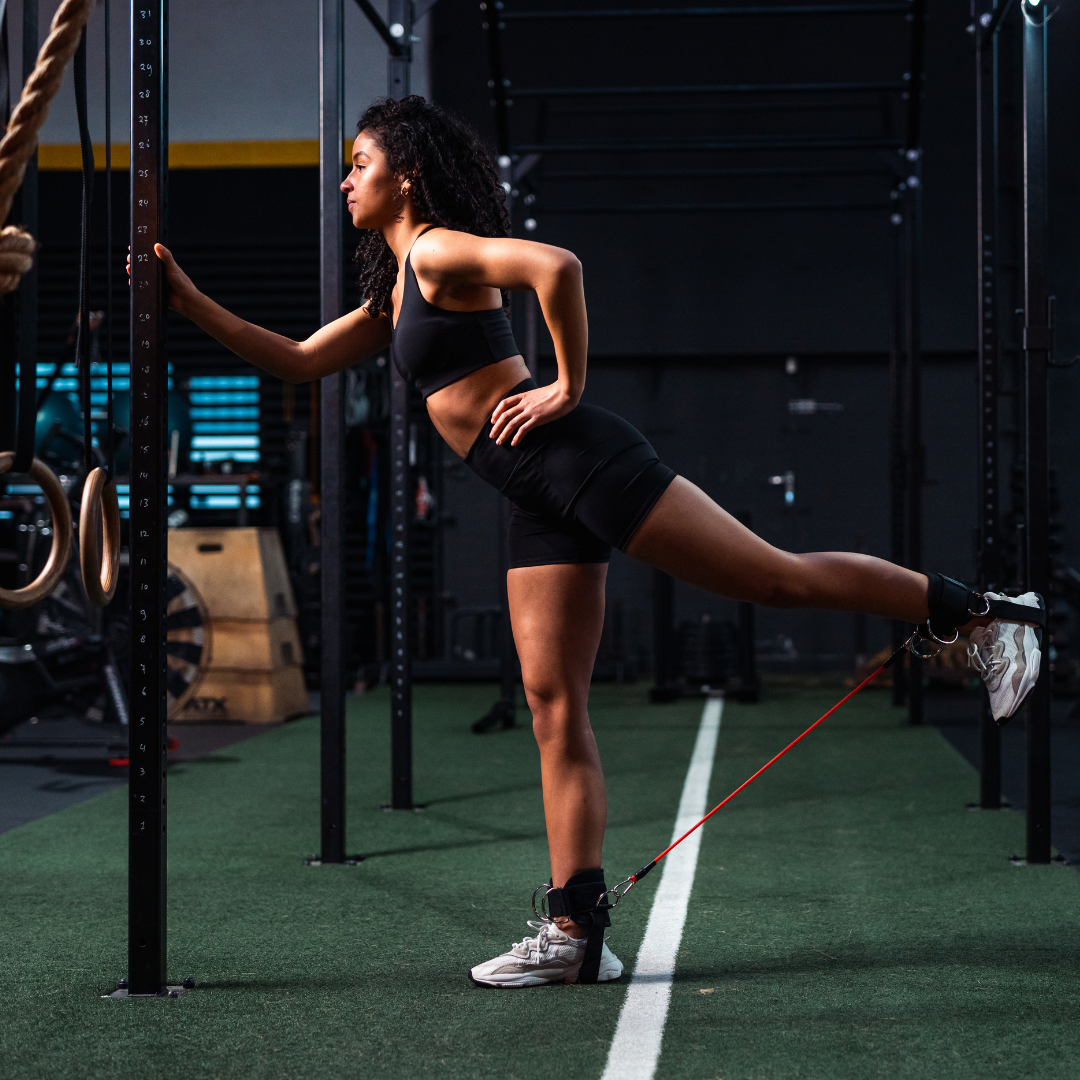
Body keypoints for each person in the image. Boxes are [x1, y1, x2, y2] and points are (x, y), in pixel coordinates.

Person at [140, 95, 1042, 989]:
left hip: (576, 462)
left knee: (776, 580)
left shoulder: (441, 248)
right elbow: (298, 359)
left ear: (405, 177)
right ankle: (575, 933)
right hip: (535, 496)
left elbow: (556, 265)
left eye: (360, 164)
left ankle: (990, 615)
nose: (345, 181)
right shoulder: (402, 280)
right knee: (550, 703)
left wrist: (567, 387)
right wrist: (188, 303)